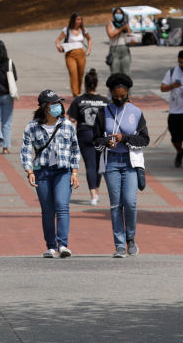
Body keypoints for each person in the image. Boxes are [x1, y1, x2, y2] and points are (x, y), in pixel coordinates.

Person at [20, 90, 81, 258]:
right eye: (53, 104)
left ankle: (63, 244)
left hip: (63, 170)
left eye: (58, 103)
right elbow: (25, 150)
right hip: (42, 172)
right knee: (47, 210)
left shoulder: (67, 124)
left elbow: (75, 149)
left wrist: (75, 172)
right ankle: (51, 246)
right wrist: (29, 170)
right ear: (45, 107)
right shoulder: (32, 127)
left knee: (62, 205)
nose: (58, 106)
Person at [95, 72, 149, 258]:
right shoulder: (103, 112)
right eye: (115, 96)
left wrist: (124, 138)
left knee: (130, 203)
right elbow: (94, 140)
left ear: (127, 93)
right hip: (111, 162)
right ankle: (119, 244)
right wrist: (105, 141)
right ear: (110, 94)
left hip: (130, 162)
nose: (119, 99)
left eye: (122, 96)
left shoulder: (136, 112)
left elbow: (144, 139)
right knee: (115, 205)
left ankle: (131, 238)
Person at [67, 69, 109, 205]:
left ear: (84, 84)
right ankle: (96, 191)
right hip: (101, 136)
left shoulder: (79, 101)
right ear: (96, 84)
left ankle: (93, 195)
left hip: (84, 135)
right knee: (99, 165)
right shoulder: (104, 101)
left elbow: (71, 120)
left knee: (90, 165)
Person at [56, 12, 92, 97]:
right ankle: (75, 94)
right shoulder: (67, 30)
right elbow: (58, 40)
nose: (79, 21)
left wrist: (89, 49)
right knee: (73, 74)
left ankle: (78, 92)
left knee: (80, 74)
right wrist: (59, 47)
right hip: (70, 54)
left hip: (81, 53)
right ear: (73, 20)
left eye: (81, 19)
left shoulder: (83, 30)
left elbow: (89, 39)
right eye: (78, 19)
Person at [106, 7, 132, 76]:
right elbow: (111, 35)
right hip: (114, 50)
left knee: (126, 73)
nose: (118, 15)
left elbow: (130, 38)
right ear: (114, 15)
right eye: (117, 13)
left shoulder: (125, 24)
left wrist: (128, 29)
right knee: (115, 73)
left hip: (125, 50)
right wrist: (121, 29)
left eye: (120, 13)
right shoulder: (110, 24)